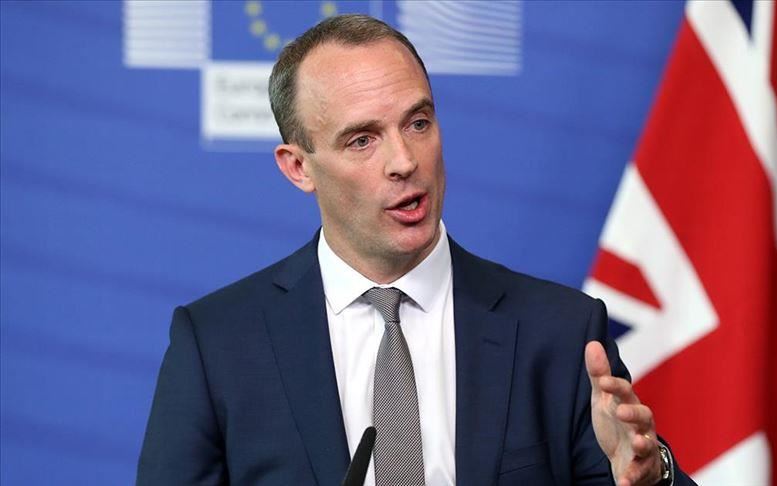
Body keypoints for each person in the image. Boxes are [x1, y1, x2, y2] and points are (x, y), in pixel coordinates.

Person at [138, 14, 695, 486]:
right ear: (298, 167)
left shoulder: (560, 332)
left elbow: (634, 469)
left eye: (418, 123)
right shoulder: (219, 346)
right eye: (362, 140)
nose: (404, 161)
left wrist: (654, 477)